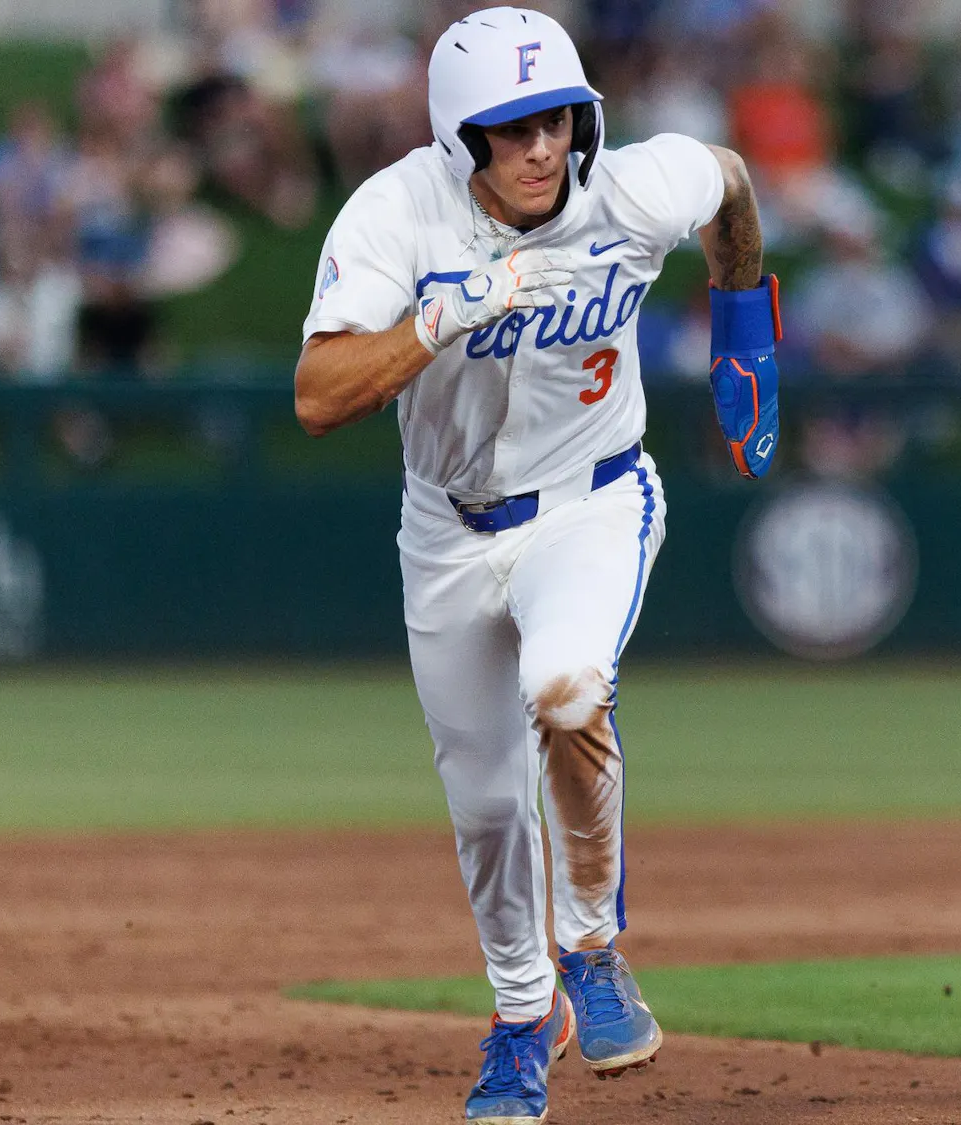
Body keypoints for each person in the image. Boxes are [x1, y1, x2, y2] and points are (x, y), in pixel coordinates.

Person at [292, 8, 779, 1124]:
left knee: (567, 690)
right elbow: (319, 395)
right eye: (509, 130)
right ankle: (523, 1019)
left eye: (556, 120)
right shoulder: (397, 213)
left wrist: (746, 329)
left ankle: (594, 948)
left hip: (593, 502)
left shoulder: (631, 189)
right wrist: (433, 323)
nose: (541, 149)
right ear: (461, 139)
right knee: (485, 808)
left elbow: (731, 183)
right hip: (448, 531)